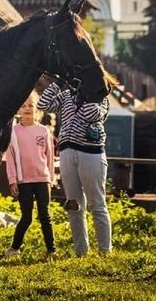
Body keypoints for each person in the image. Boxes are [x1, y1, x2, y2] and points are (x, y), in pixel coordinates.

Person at [37, 81, 112, 256]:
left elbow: (90, 114)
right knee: (73, 205)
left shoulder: (102, 98)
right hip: (66, 152)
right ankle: (81, 251)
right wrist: (59, 84)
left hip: (91, 153)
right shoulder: (67, 95)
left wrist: (88, 94)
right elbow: (43, 104)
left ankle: (105, 250)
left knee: (97, 204)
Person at [4, 93, 56, 258]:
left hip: (43, 180)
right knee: (27, 217)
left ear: (37, 109)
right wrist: (13, 181)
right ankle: (14, 248)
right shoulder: (13, 133)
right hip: (23, 180)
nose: (27, 109)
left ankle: (52, 250)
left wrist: (51, 179)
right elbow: (10, 159)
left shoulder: (45, 132)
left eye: (30, 105)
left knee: (45, 215)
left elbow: (49, 157)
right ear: (18, 109)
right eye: (24, 105)